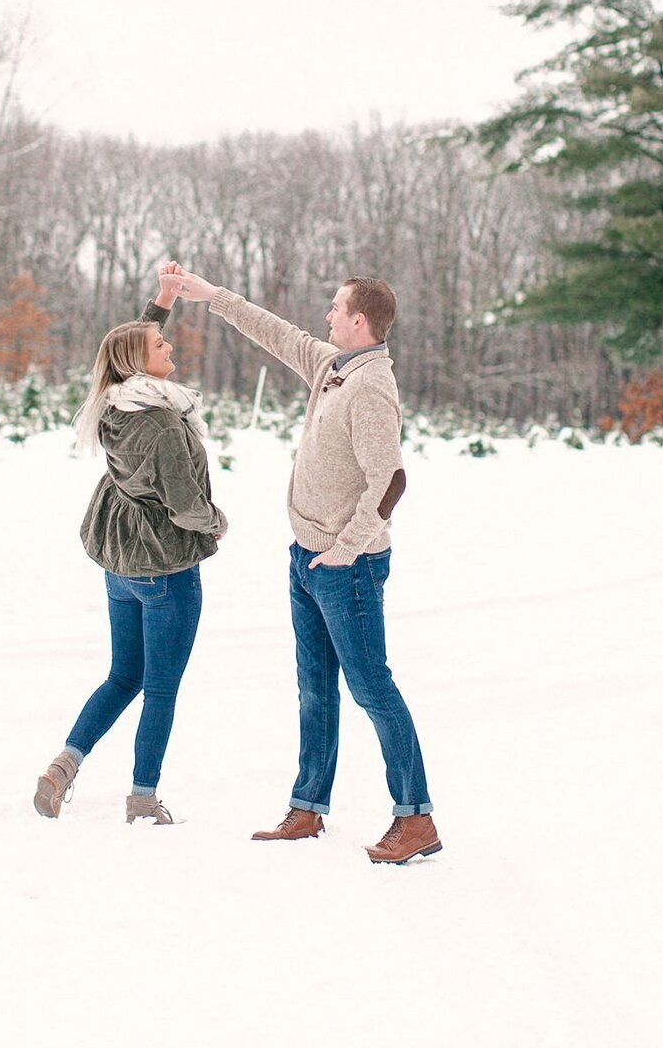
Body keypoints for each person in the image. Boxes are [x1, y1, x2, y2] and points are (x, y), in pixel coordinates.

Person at [171, 267, 439, 865]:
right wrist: (211, 295)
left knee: (372, 688)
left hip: (348, 569)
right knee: (315, 689)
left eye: (336, 308)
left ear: (360, 321)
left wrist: (342, 553)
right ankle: (307, 808)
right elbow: (275, 332)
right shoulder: (333, 367)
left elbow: (390, 482)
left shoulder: (371, 387)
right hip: (308, 559)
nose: (327, 316)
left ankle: (415, 818)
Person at [34, 275, 225, 827]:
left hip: (121, 566)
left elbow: (134, 342)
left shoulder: (114, 401)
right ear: (141, 364)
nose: (171, 346)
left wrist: (162, 301)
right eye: (161, 346)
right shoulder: (162, 421)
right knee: (160, 689)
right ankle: (143, 799)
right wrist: (216, 524)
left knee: (123, 676)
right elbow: (186, 504)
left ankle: (62, 767)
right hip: (165, 566)